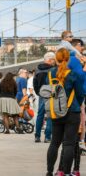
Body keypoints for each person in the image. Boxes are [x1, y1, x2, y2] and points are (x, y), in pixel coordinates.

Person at [46, 48, 84, 176]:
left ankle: (49, 171)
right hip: (71, 111)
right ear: (68, 59)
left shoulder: (50, 74)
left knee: (54, 143)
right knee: (69, 144)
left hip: (56, 112)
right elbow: (80, 93)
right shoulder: (73, 74)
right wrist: (77, 105)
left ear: (56, 59)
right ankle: (66, 172)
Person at [34, 52, 56, 143]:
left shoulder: (37, 69)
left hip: (41, 94)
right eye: (54, 60)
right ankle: (47, 137)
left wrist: (38, 93)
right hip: (50, 93)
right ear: (50, 60)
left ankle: (37, 136)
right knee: (50, 115)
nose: (54, 62)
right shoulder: (53, 70)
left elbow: (35, 83)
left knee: (40, 115)